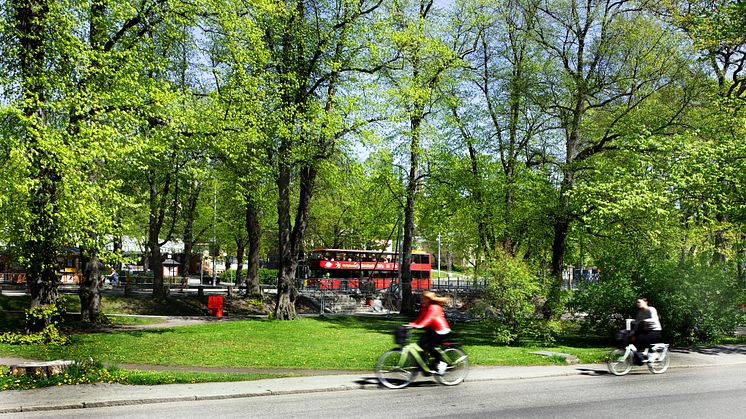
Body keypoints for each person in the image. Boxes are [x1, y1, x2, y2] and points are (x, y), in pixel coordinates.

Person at [408, 291, 451, 375]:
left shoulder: (434, 307)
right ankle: (425, 367)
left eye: (424, 299)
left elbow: (429, 319)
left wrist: (420, 326)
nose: (422, 300)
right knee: (421, 344)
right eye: (422, 298)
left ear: (429, 299)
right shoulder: (425, 307)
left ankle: (441, 363)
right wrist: (411, 324)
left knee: (430, 346)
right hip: (432, 329)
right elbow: (420, 318)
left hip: (441, 330)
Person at [634, 297, 662, 363]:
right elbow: (637, 323)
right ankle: (640, 358)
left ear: (645, 302)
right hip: (646, 330)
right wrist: (633, 331)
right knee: (637, 340)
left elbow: (655, 319)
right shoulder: (639, 312)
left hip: (655, 330)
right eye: (637, 302)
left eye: (639, 302)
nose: (638, 304)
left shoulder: (651, 309)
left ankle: (653, 354)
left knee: (646, 339)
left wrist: (646, 320)